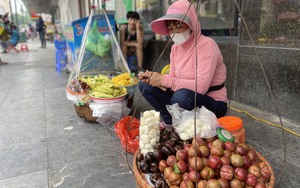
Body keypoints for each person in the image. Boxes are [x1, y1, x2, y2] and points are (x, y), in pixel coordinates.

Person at [138, 0, 227, 126]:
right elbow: (173, 79)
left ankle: (182, 123)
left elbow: (201, 87)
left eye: (179, 26)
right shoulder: (175, 48)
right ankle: (170, 121)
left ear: (191, 24)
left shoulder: (207, 45)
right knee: (145, 86)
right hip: (182, 98)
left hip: (211, 102)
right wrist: (154, 78)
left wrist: (163, 80)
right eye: (170, 28)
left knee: (181, 96)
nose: (175, 32)